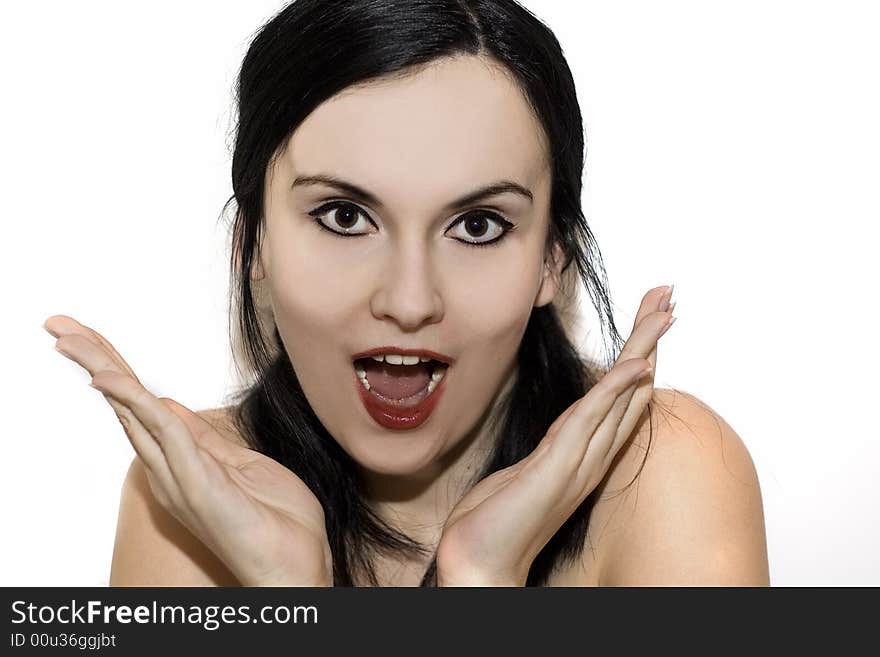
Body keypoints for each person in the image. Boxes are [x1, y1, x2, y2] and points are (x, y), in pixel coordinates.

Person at [42, 0, 769, 586]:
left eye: (478, 224)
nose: (411, 299)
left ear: (554, 257)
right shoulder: (184, 496)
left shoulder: (664, 472)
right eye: (345, 217)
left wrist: (482, 578)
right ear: (253, 246)